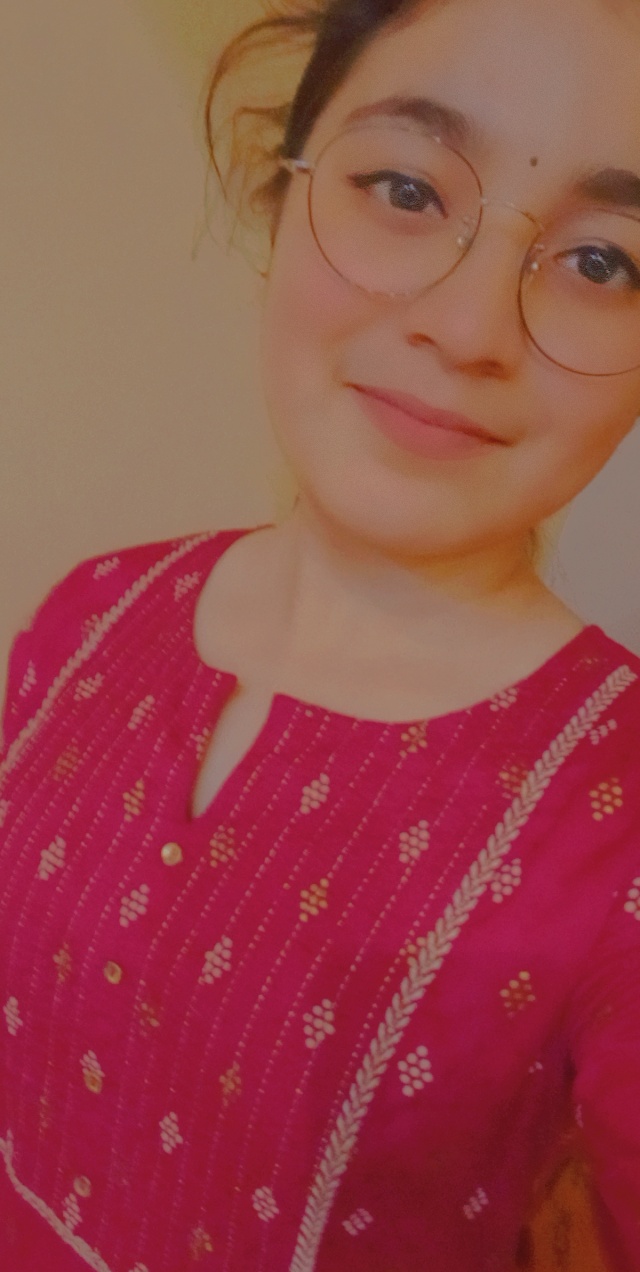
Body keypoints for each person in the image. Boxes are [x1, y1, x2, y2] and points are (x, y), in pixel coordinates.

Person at [1, 0, 640, 1267]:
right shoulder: (93, 610)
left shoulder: (617, 807)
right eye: (404, 190)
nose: (466, 329)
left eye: (604, 263)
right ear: (283, 195)